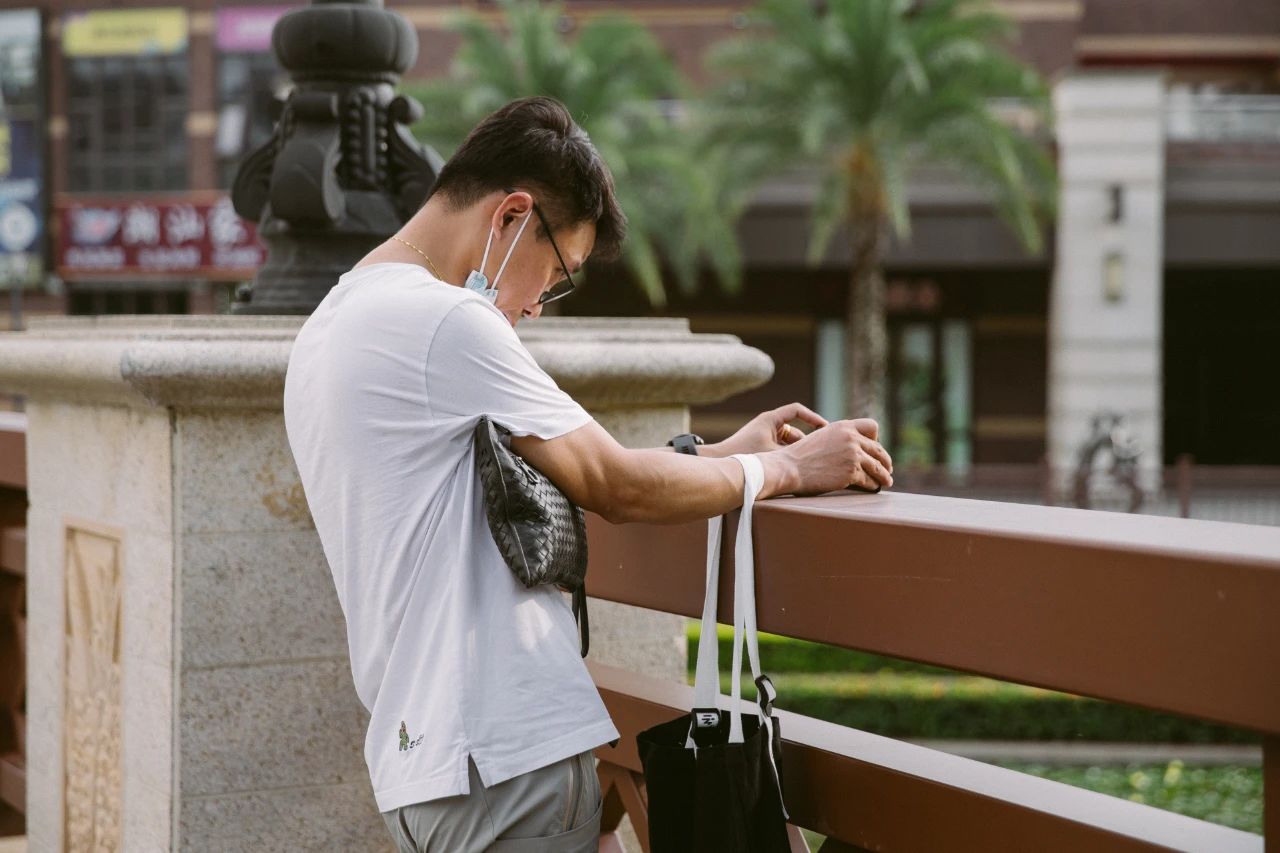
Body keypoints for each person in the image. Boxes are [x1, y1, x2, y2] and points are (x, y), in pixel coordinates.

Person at [282, 95, 893, 853]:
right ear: (512, 216)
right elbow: (614, 484)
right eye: (556, 271)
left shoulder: (333, 323)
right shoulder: (448, 323)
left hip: (425, 765)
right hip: (505, 759)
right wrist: (786, 468)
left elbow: (564, 474)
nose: (539, 305)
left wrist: (721, 455)